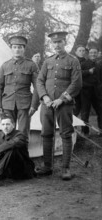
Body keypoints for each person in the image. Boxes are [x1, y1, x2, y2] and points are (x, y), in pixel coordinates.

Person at [36, 31, 82, 180]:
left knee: (66, 134)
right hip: (47, 105)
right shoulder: (48, 61)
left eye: (59, 42)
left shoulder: (73, 61)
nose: (57, 45)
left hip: (64, 105)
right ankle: (47, 166)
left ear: (65, 42)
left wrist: (61, 99)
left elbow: (76, 84)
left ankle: (65, 169)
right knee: (46, 134)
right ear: (52, 44)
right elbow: (39, 81)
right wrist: (45, 97)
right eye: (54, 43)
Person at [0, 36, 39, 138]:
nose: (17, 50)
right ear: (11, 48)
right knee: (8, 131)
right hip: (7, 104)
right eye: (14, 47)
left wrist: (34, 105)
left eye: (20, 47)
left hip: (25, 105)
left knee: (23, 133)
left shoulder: (31, 65)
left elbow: (38, 87)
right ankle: (9, 154)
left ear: (24, 49)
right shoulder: (5, 66)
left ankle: (22, 154)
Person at [80, 47, 102, 135]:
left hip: (97, 92)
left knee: (100, 111)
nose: (93, 54)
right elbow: (78, 74)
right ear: (88, 54)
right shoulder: (83, 63)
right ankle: (85, 132)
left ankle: (101, 130)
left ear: (97, 54)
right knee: (85, 112)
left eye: (95, 53)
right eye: (91, 53)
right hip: (85, 92)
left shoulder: (99, 64)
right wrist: (88, 72)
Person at [73, 45, 87, 116]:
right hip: (74, 88)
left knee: (84, 109)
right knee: (75, 109)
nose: (82, 52)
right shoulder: (73, 61)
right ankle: (72, 126)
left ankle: (83, 126)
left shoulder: (87, 62)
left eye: (83, 51)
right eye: (80, 51)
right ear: (76, 52)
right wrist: (87, 72)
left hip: (85, 88)